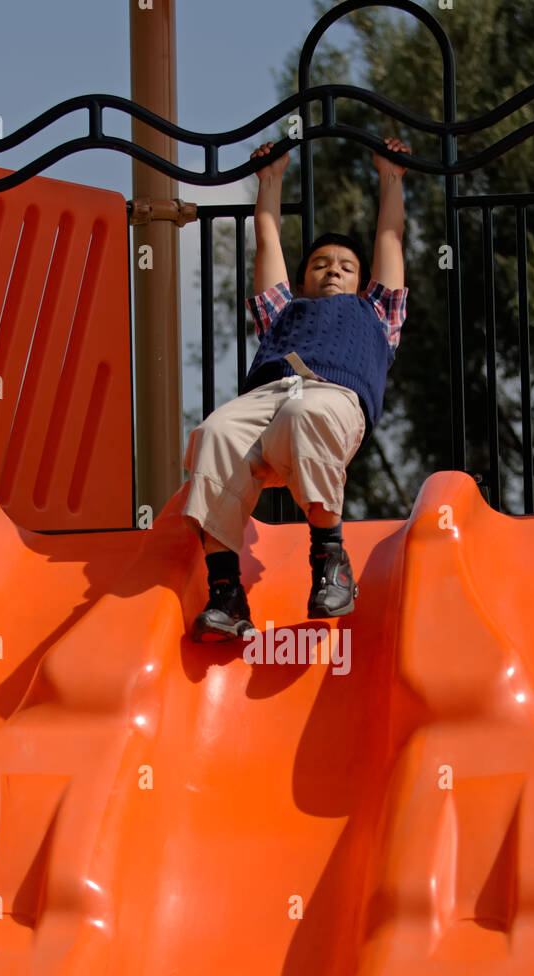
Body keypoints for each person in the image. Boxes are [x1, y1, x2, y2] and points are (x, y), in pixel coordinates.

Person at [182, 134, 410, 642]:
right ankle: (226, 592)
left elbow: (390, 240)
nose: (333, 270)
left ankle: (330, 563)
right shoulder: (283, 310)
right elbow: (267, 238)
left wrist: (391, 177)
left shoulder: (378, 313)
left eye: (346, 267)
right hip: (267, 400)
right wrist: (271, 178)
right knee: (215, 433)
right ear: (302, 282)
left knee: (304, 415)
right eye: (320, 265)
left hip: (329, 400)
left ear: (362, 282)